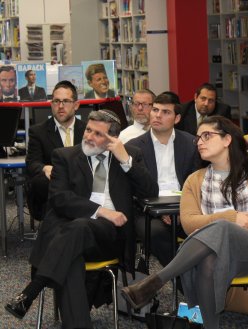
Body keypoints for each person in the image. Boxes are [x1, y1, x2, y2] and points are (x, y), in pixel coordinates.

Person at [121, 116, 248, 329]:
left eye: (207, 136)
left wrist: (224, 220)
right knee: (208, 261)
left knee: (221, 229)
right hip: (212, 252)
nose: (199, 142)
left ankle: (159, 279)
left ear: (227, 140)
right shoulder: (194, 179)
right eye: (198, 138)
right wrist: (232, 217)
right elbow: (188, 223)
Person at [4, 110, 158, 328]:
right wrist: (103, 211)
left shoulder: (130, 154)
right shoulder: (65, 156)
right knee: (73, 251)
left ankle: (31, 291)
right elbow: (60, 199)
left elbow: (150, 191)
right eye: (88, 130)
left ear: (112, 138)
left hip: (109, 236)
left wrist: (125, 160)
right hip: (71, 235)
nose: (88, 136)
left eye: (97, 133)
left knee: (79, 228)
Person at [127, 92, 199, 267]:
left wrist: (183, 210)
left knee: (206, 230)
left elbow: (197, 181)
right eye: (155, 110)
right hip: (147, 209)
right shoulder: (132, 147)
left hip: (184, 206)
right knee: (157, 233)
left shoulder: (191, 143)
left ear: (177, 118)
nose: (158, 115)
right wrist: (159, 212)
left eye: (166, 112)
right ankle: (186, 281)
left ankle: (193, 279)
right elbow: (134, 189)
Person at [26, 80, 86, 221]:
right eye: (56, 101)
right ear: (51, 104)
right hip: (53, 189)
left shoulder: (87, 130)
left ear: (76, 105)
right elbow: (32, 163)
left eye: (66, 101)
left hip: (82, 186)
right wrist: (44, 168)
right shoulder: (38, 131)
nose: (60, 106)